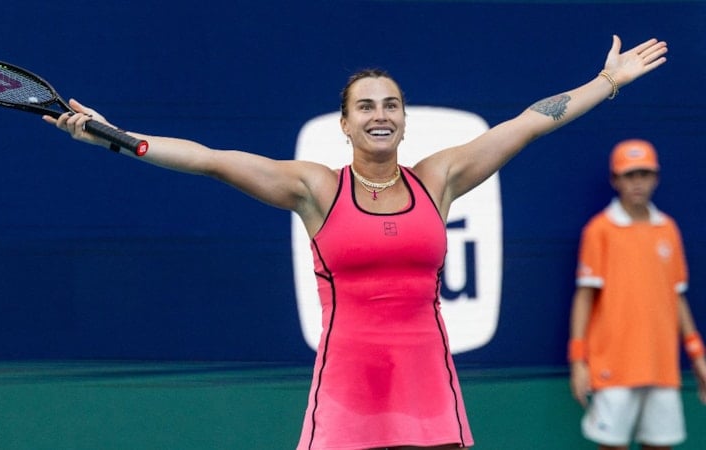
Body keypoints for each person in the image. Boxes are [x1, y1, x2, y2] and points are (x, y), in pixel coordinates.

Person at [47, 36, 667, 450]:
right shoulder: (315, 188)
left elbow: (529, 123)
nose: (380, 114)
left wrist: (606, 81)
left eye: (391, 105)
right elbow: (211, 159)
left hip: (428, 384)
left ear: (404, 120)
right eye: (365, 106)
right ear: (345, 124)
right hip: (347, 389)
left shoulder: (439, 179)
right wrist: (118, 138)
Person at [568, 139, 706, 450]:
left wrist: (697, 356)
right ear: (615, 180)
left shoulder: (668, 229)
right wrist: (578, 360)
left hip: (661, 366)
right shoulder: (600, 230)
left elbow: (676, 296)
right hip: (614, 366)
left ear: (655, 178)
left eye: (644, 174)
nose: (637, 182)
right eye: (629, 175)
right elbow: (584, 297)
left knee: (660, 445)